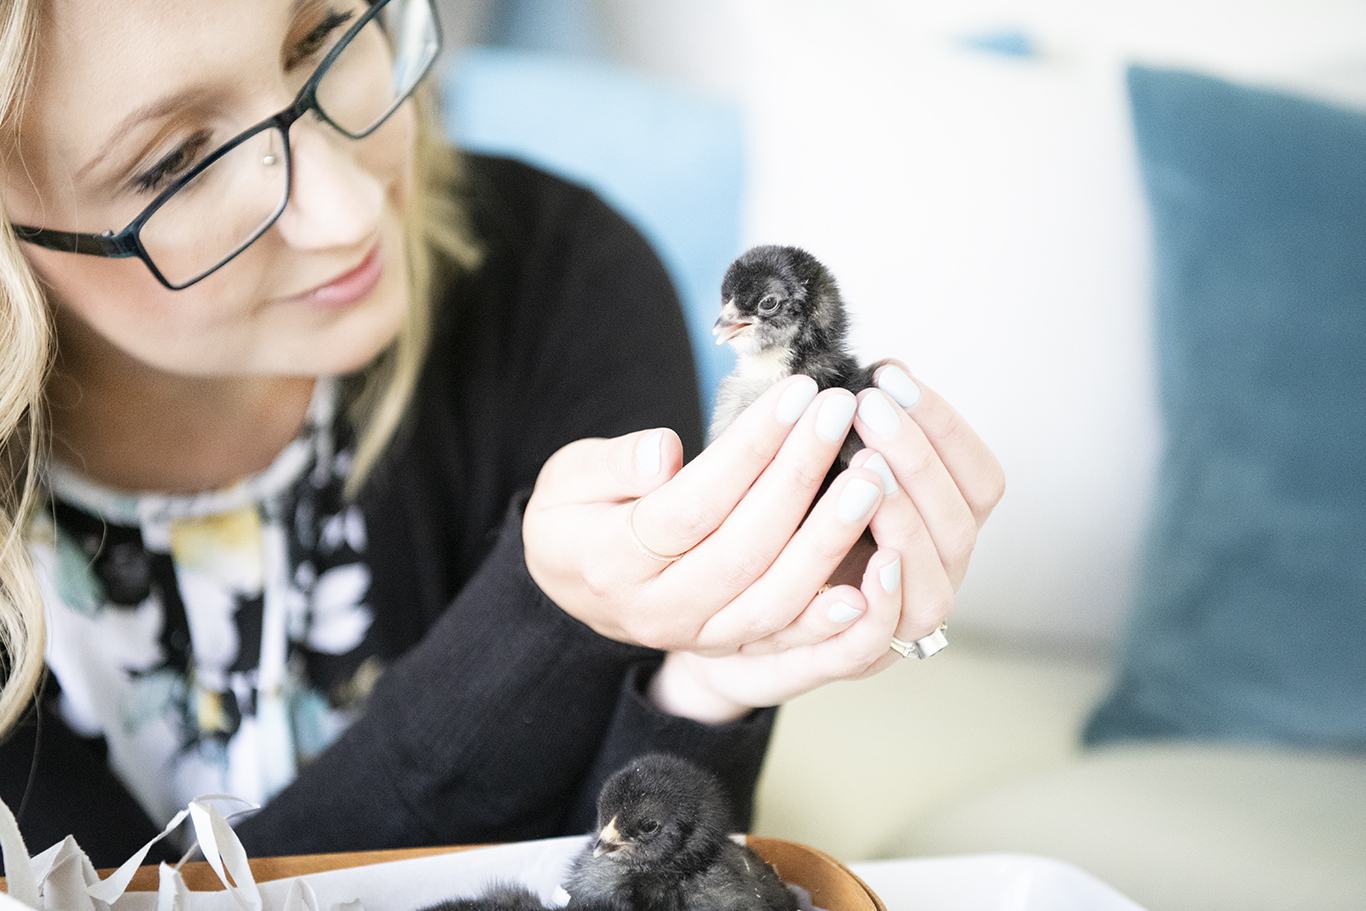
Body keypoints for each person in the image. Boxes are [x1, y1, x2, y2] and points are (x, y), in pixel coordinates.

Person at [0, 0, 1004, 869]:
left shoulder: (561, 279)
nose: (349, 209)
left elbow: (609, 873)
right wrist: (545, 617)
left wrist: (700, 682)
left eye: (318, 40)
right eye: (180, 161)